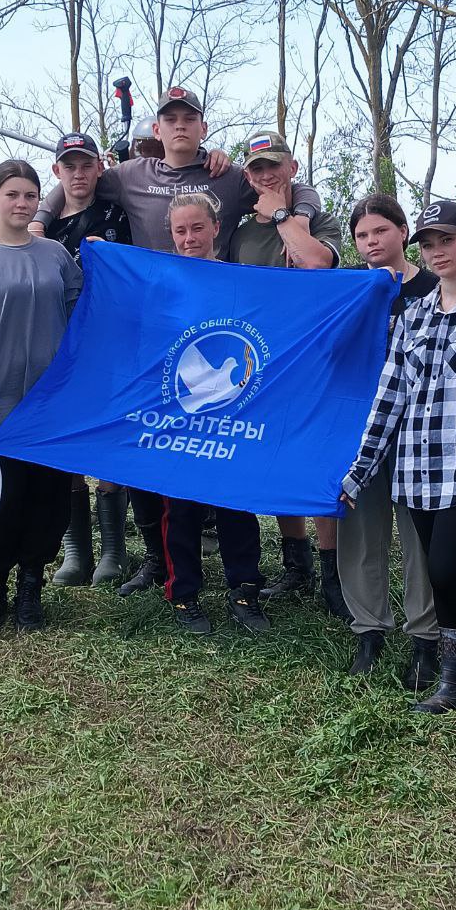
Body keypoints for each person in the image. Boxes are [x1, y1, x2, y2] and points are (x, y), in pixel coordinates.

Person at [31, 88, 322, 603]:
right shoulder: (128, 175)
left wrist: (301, 206)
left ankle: (262, 563)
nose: (181, 126)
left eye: (190, 117)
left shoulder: (228, 176)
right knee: (153, 436)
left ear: (203, 127)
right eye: (171, 119)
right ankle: (155, 557)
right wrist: (38, 221)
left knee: (225, 433)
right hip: (153, 325)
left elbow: (285, 187)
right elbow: (76, 185)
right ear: (158, 130)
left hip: (219, 323)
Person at [342, 199, 456, 715]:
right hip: (416, 472)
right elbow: (390, 397)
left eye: (447, 239)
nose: (438, 251)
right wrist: (361, 472)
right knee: (440, 578)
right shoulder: (413, 317)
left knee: (446, 572)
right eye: (428, 243)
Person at [0, 160, 83, 632]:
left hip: (54, 408)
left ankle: (30, 587)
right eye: (12, 195)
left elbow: (81, 321)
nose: (22, 204)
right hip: (2, 411)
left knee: (50, 502)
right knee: (2, 504)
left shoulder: (55, 256)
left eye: (29, 195)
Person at [228, 131, 348, 619]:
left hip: (315, 360)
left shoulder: (320, 219)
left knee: (315, 460)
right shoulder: (238, 231)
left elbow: (317, 262)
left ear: (292, 167)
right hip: (258, 363)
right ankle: (295, 563)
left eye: (272, 166)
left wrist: (283, 215)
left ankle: (332, 573)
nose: (264, 175)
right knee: (275, 458)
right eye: (256, 170)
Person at [338, 192, 440, 689]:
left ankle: (426, 635)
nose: (371, 242)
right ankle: (368, 629)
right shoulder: (351, 289)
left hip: (422, 427)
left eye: (380, 230)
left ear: (402, 231)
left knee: (420, 534)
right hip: (359, 426)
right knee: (360, 529)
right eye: (361, 235)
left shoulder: (436, 287)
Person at [159, 192, 268, 634]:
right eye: (180, 230)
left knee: (235, 504)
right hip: (178, 412)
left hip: (234, 412)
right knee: (180, 508)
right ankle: (184, 594)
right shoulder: (160, 282)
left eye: (197, 228)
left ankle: (245, 589)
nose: (189, 238)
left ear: (215, 229)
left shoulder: (242, 281)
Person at [43, 132, 133, 589]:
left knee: (111, 440)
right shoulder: (41, 227)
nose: (78, 174)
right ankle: (76, 549)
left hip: (112, 345)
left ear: (99, 168)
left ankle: (114, 548)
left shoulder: (118, 213)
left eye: (85, 165)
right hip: (61, 346)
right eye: (69, 166)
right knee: (67, 443)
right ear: (57, 171)